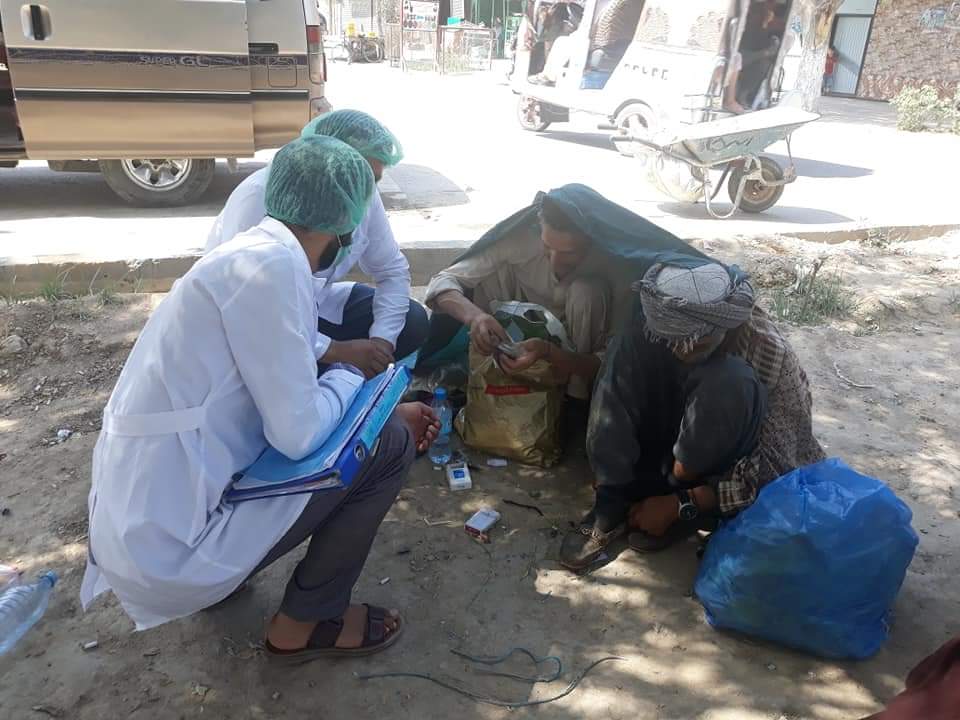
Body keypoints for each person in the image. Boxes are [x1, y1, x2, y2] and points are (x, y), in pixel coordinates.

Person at [81, 136, 440, 662]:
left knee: (360, 419)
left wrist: (349, 378)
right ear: (344, 224)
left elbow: (284, 373)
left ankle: (233, 580)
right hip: (171, 553)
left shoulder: (255, 254)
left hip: (147, 525)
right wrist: (355, 378)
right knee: (387, 445)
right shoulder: (274, 270)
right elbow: (298, 435)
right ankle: (304, 623)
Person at [560, 260, 826, 571]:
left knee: (729, 380)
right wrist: (608, 469)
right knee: (626, 344)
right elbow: (617, 379)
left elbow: (776, 470)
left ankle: (684, 506)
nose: (679, 351)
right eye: (671, 340)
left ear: (722, 328)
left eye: (691, 343)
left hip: (709, 466)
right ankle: (613, 499)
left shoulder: (768, 352)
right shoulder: (657, 318)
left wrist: (683, 503)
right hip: (663, 442)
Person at [420, 184, 707, 400]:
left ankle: (575, 402)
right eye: (548, 248)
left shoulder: (615, 267)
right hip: (511, 341)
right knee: (487, 278)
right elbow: (442, 283)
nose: (555, 262)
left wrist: (552, 355)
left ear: (591, 242)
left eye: (569, 254)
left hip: (573, 362)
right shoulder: (522, 240)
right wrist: (476, 318)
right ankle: (489, 375)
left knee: (586, 291)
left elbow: (612, 359)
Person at [207, 109, 427, 378]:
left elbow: (392, 270)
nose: (364, 190)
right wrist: (335, 351)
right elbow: (249, 314)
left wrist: (380, 344)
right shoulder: (256, 197)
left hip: (313, 308)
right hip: (263, 321)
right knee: (283, 369)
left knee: (412, 321)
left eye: (371, 179)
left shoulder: (361, 192)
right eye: (357, 174)